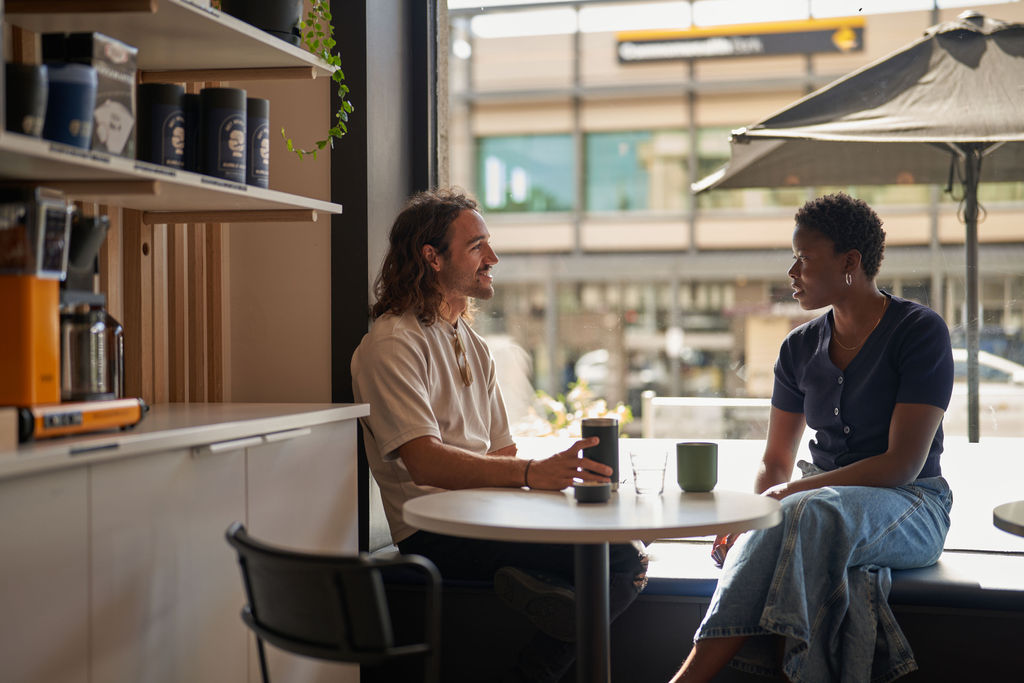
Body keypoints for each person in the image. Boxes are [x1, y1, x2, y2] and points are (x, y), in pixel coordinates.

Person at [351, 188, 647, 682]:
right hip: (434, 532)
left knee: (616, 536)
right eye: (476, 246)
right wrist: (533, 474)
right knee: (622, 559)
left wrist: (557, 485)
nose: (492, 257)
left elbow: (502, 451)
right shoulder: (392, 344)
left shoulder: (472, 343)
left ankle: (548, 595)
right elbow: (424, 461)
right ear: (432, 257)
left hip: (484, 514)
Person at [671, 192, 954, 683]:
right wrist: (755, 513)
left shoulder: (919, 331)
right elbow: (776, 461)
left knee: (806, 513)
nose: (792, 272)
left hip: (913, 505)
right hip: (816, 507)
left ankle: (691, 677)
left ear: (849, 262)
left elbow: (902, 465)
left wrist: (785, 495)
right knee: (809, 526)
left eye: (803, 258)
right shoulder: (798, 347)